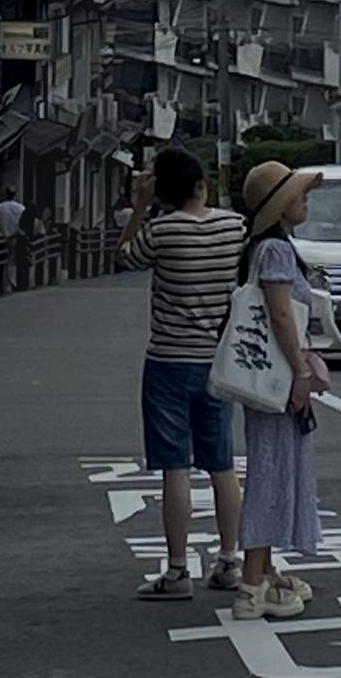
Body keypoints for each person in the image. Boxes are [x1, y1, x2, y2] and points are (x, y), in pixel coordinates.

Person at [118, 148, 245, 601]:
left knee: (176, 466)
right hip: (217, 361)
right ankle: (229, 561)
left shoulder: (161, 230)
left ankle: (177, 571)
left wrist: (139, 205)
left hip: (168, 360)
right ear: (200, 184)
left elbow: (125, 257)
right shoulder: (234, 227)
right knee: (222, 464)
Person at [234, 161, 325, 623]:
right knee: (270, 472)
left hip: (268, 374)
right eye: (297, 194)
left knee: (272, 467)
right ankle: (251, 585)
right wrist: (300, 372)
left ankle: (265, 572)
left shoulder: (267, 247)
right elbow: (281, 314)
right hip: (279, 375)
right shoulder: (276, 251)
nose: (304, 199)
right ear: (278, 205)